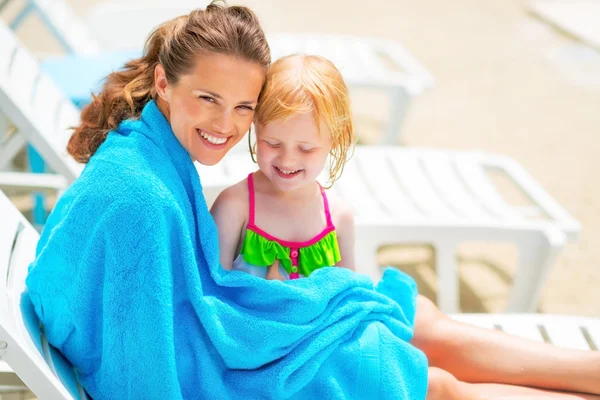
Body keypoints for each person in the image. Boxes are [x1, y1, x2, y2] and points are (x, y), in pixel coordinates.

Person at [211, 53, 600, 400]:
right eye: (272, 143)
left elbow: (349, 301)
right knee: (437, 382)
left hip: (335, 338)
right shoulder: (236, 207)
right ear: (256, 131)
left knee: (426, 329)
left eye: (306, 148)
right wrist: (277, 299)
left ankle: (588, 373)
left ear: (335, 140)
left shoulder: (336, 216)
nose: (286, 159)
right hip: (287, 355)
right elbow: (212, 302)